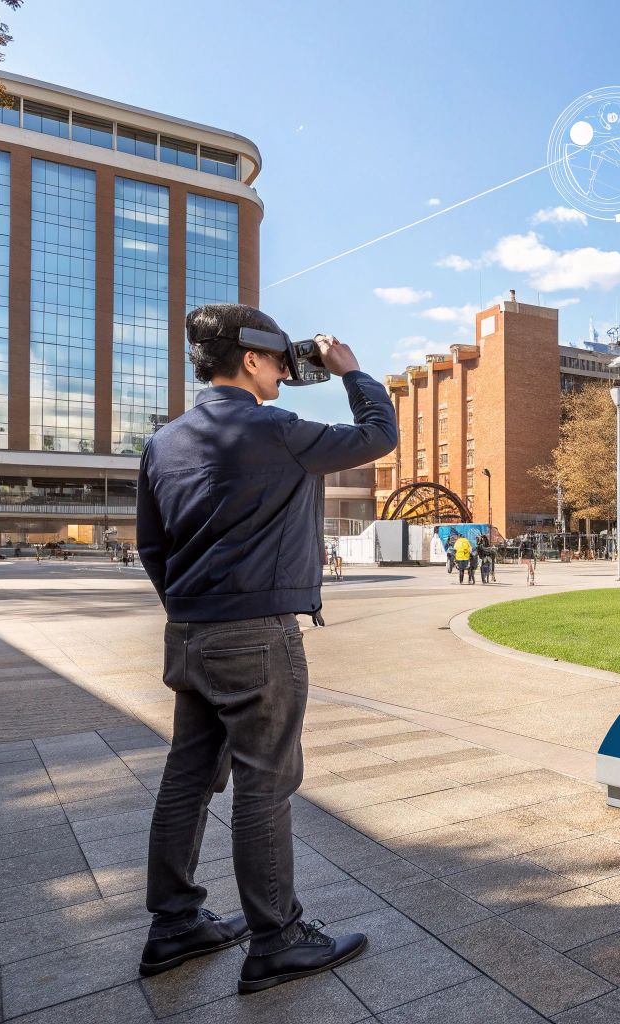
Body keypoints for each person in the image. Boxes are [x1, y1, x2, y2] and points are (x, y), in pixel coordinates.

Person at [135, 303, 395, 992]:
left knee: (187, 775)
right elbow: (378, 434)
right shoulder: (276, 429)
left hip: (189, 634)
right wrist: (351, 371)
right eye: (279, 359)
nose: (286, 370)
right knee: (264, 782)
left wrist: (192, 607)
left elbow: (152, 546)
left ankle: (174, 925)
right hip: (256, 635)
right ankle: (277, 938)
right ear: (250, 359)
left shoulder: (163, 443)